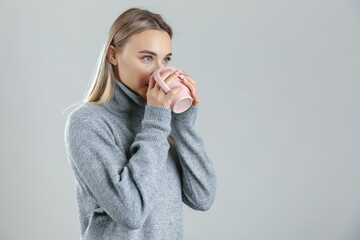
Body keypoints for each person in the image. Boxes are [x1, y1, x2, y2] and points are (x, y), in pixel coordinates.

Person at [64, 7, 216, 240]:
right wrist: (156, 122)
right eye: (147, 58)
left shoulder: (160, 120)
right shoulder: (87, 122)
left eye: (166, 59)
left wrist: (183, 126)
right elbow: (131, 213)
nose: (160, 71)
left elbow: (202, 197)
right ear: (113, 55)